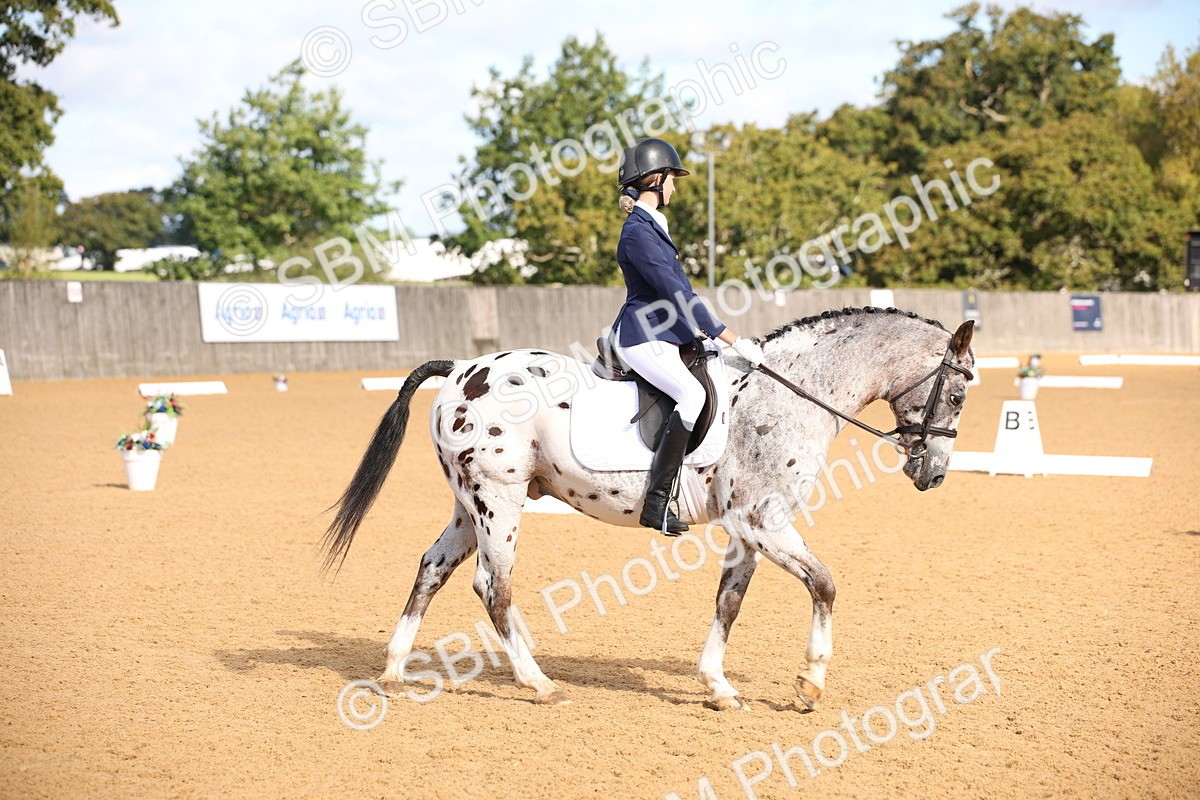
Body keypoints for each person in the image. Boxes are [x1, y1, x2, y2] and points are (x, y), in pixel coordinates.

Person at [609, 137, 765, 534]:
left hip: (666, 331)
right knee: (692, 395)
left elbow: (681, 292)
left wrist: (707, 337)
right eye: (672, 180)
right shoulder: (637, 233)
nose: (675, 188)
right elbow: (676, 293)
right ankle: (657, 502)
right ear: (656, 179)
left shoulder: (653, 226)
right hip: (641, 335)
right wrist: (732, 338)